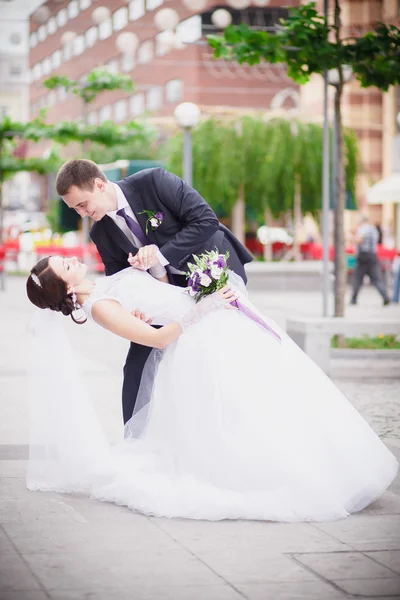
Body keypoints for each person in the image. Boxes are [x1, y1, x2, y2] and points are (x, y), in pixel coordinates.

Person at [25, 255, 398, 522]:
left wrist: (155, 274)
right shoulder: (100, 307)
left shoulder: (102, 287)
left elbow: (148, 308)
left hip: (213, 323)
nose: (71, 259)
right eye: (65, 266)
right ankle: (282, 471)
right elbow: (158, 341)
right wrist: (204, 307)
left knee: (272, 397)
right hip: (200, 339)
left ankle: (323, 461)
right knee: (251, 407)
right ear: (66, 286)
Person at [55, 160, 253, 425]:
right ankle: (134, 440)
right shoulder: (100, 232)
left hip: (213, 270)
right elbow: (122, 279)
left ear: (99, 185)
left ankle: (229, 420)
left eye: (82, 204)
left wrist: (160, 254)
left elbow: (205, 221)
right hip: (161, 296)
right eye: (75, 209)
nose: (82, 213)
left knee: (219, 352)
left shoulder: (153, 182)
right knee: (136, 363)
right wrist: (132, 312)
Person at [350, 215, 390, 306]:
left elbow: (360, 240)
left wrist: (352, 239)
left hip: (363, 256)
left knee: (357, 278)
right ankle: (385, 297)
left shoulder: (363, 228)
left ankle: (353, 298)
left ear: (362, 221)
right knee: (377, 279)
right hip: (373, 256)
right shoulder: (373, 229)